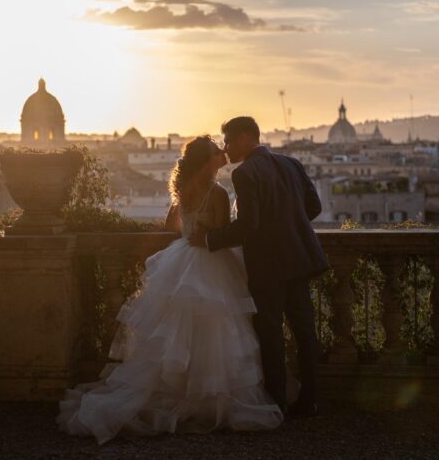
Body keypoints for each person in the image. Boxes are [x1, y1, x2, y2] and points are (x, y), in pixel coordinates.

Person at [57, 136, 283, 445]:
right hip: (209, 261)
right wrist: (207, 233)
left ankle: (176, 393)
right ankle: (206, 398)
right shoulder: (217, 193)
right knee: (214, 331)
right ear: (208, 160)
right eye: (218, 152)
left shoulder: (183, 190)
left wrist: (189, 231)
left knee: (176, 332)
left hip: (182, 259)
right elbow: (222, 232)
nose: (224, 154)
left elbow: (171, 225)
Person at [190, 117, 328, 416]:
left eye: (227, 140)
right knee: (305, 333)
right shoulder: (291, 163)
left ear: (243, 138)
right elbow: (314, 207)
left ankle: (276, 401)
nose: (225, 148)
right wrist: (288, 225)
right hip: (300, 259)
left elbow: (248, 225)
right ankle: (310, 399)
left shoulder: (245, 173)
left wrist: (211, 238)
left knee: (271, 333)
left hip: (268, 265)